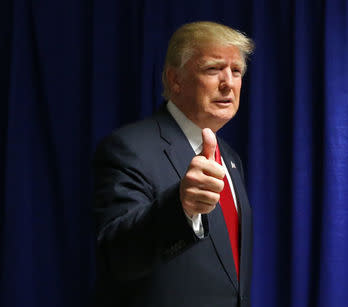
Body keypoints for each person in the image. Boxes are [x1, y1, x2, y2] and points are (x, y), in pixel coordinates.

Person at [93, 21, 254, 307]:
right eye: (213, 69)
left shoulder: (230, 159)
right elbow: (117, 255)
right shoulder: (128, 148)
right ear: (175, 79)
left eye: (236, 71)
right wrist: (181, 208)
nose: (228, 82)